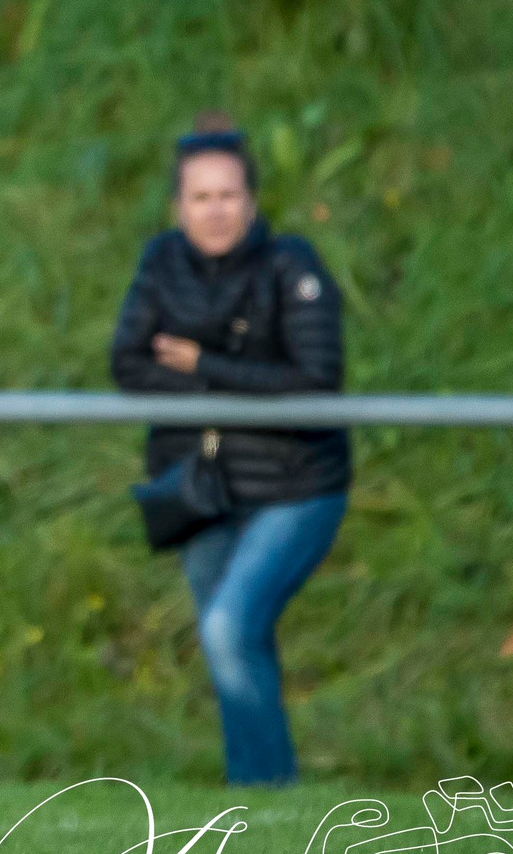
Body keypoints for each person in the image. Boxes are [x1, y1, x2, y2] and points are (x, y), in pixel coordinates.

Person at [110, 121, 350, 786]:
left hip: (298, 485)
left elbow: (315, 378)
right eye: (200, 196)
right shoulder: (161, 261)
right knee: (234, 642)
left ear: (252, 199)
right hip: (199, 486)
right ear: (178, 205)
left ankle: (267, 791)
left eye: (228, 194)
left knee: (227, 627)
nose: (215, 209)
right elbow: (127, 362)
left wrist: (202, 363)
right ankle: (262, 797)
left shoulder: (292, 262)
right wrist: (235, 375)